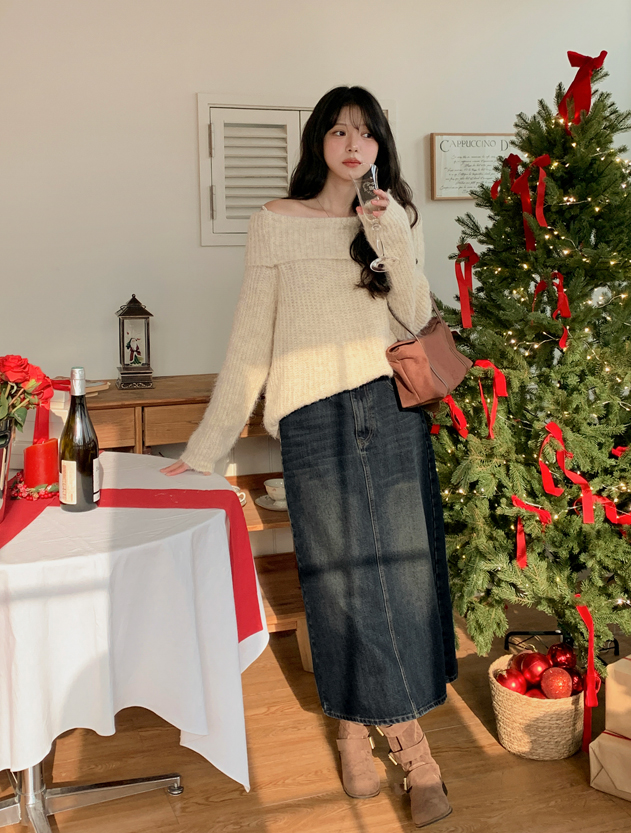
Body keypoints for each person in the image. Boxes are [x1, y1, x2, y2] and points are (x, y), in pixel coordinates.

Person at [162, 85, 457, 828]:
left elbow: (417, 314)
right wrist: (206, 448)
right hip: (312, 419)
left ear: (381, 146)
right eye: (339, 132)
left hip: (388, 410)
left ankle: (410, 749)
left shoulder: (395, 217)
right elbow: (249, 341)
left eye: (367, 133)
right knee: (335, 580)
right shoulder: (275, 222)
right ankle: (357, 732)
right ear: (318, 143)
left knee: (401, 577)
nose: (354, 146)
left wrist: (389, 236)